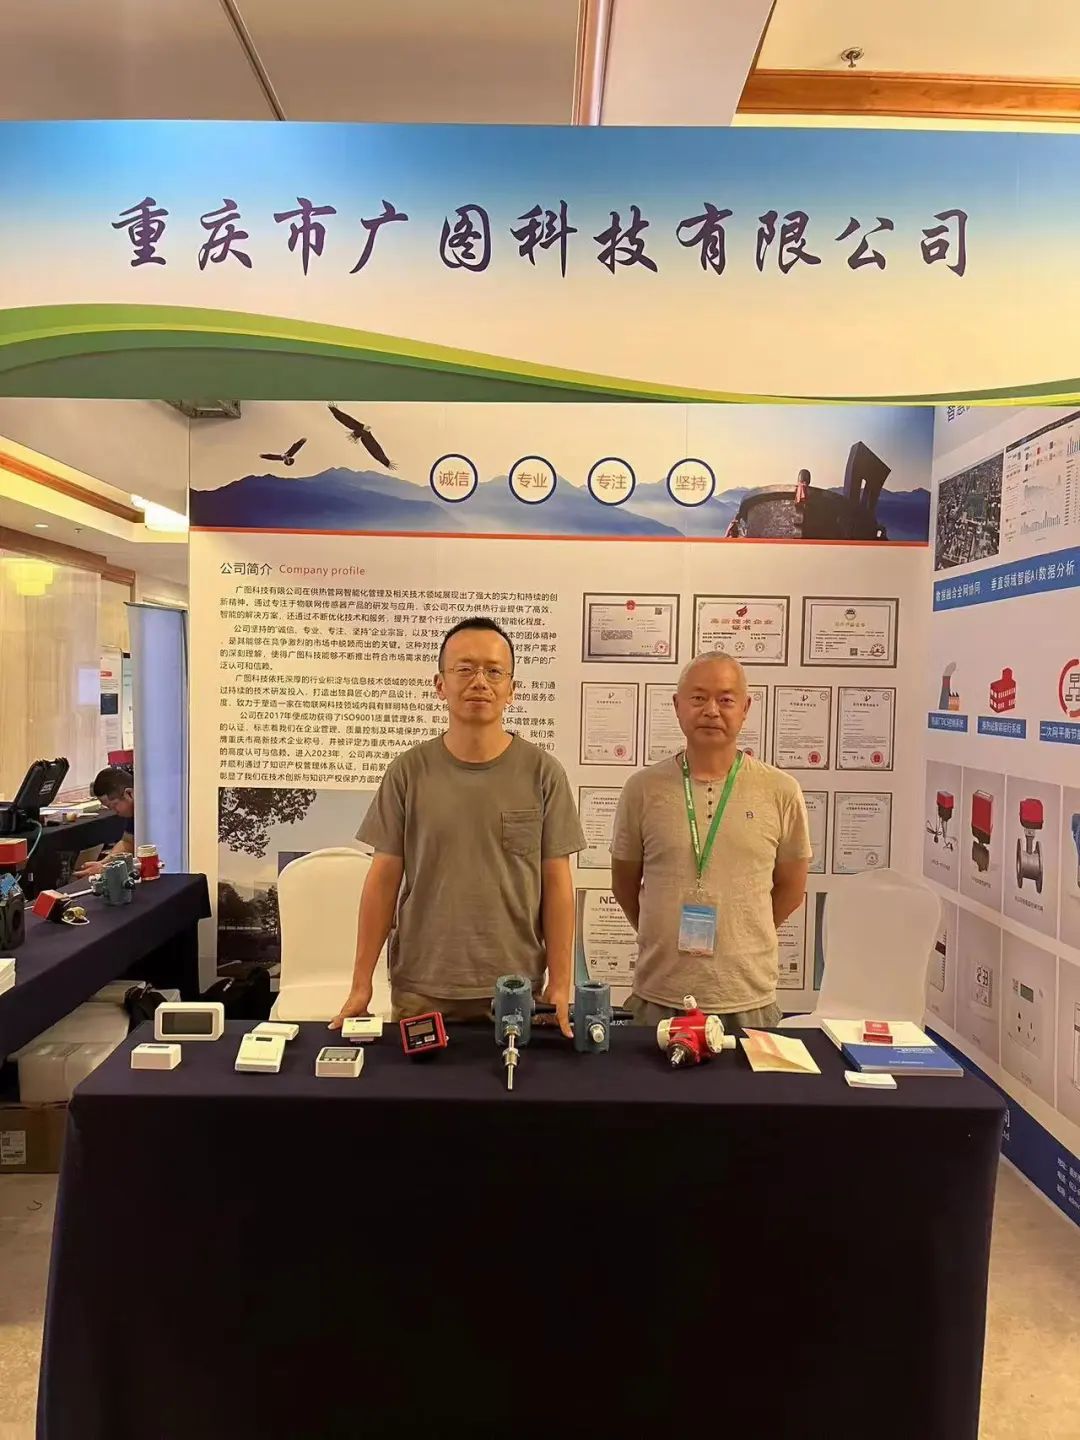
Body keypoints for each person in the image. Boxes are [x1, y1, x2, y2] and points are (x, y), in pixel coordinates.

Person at [330, 617, 585, 1036]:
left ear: (512, 689)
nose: (479, 682)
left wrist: (560, 982)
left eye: (494, 671)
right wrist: (361, 984)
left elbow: (557, 884)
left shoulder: (543, 774)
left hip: (515, 989)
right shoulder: (408, 772)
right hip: (422, 989)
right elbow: (382, 881)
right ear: (440, 685)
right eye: (464, 669)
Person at [610, 651, 810, 1030]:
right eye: (699, 698)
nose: (712, 710)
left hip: (747, 998)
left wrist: (743, 935)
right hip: (659, 995)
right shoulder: (642, 790)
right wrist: (660, 934)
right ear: (677, 706)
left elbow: (792, 888)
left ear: (745, 708)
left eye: (726, 699)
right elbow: (623, 884)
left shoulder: (781, 791)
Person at [75, 767, 135, 878]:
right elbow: (128, 842)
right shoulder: (133, 812)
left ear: (129, 794)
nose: (115, 812)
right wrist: (104, 863)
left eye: (114, 805)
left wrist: (106, 868)